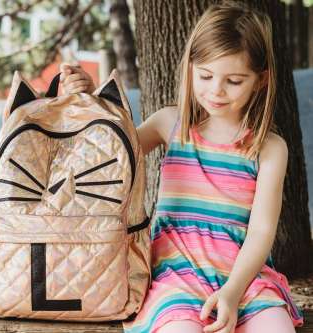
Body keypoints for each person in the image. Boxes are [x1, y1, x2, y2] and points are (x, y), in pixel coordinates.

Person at [59, 2, 304, 333]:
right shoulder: (168, 123)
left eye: (233, 80)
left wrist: (231, 293)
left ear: (260, 81)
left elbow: (261, 232)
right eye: (205, 75)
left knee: (277, 329)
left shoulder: (270, 149)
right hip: (174, 273)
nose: (216, 90)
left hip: (243, 277)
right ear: (190, 67)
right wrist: (91, 97)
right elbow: (109, 152)